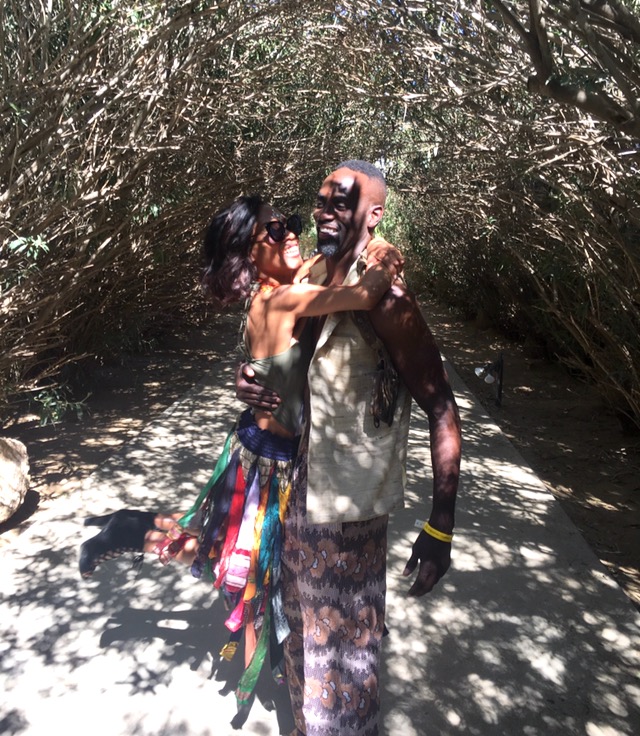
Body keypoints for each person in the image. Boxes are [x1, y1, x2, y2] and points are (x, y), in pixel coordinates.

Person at [78, 193, 404, 714]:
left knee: (230, 560)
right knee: (240, 572)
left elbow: (325, 268)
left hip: (265, 452)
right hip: (267, 465)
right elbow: (365, 294)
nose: (289, 232)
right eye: (273, 230)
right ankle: (132, 535)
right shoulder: (281, 299)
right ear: (249, 253)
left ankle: (131, 528)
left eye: (289, 222)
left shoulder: (288, 286)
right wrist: (386, 255)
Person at [236, 160, 462, 736]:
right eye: (321, 201)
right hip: (290, 496)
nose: (324, 213)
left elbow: (441, 406)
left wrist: (440, 527)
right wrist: (249, 379)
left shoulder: (387, 301)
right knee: (297, 639)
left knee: (344, 659)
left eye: (340, 202)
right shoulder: (311, 271)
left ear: (374, 214)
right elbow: (275, 342)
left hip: (347, 520)